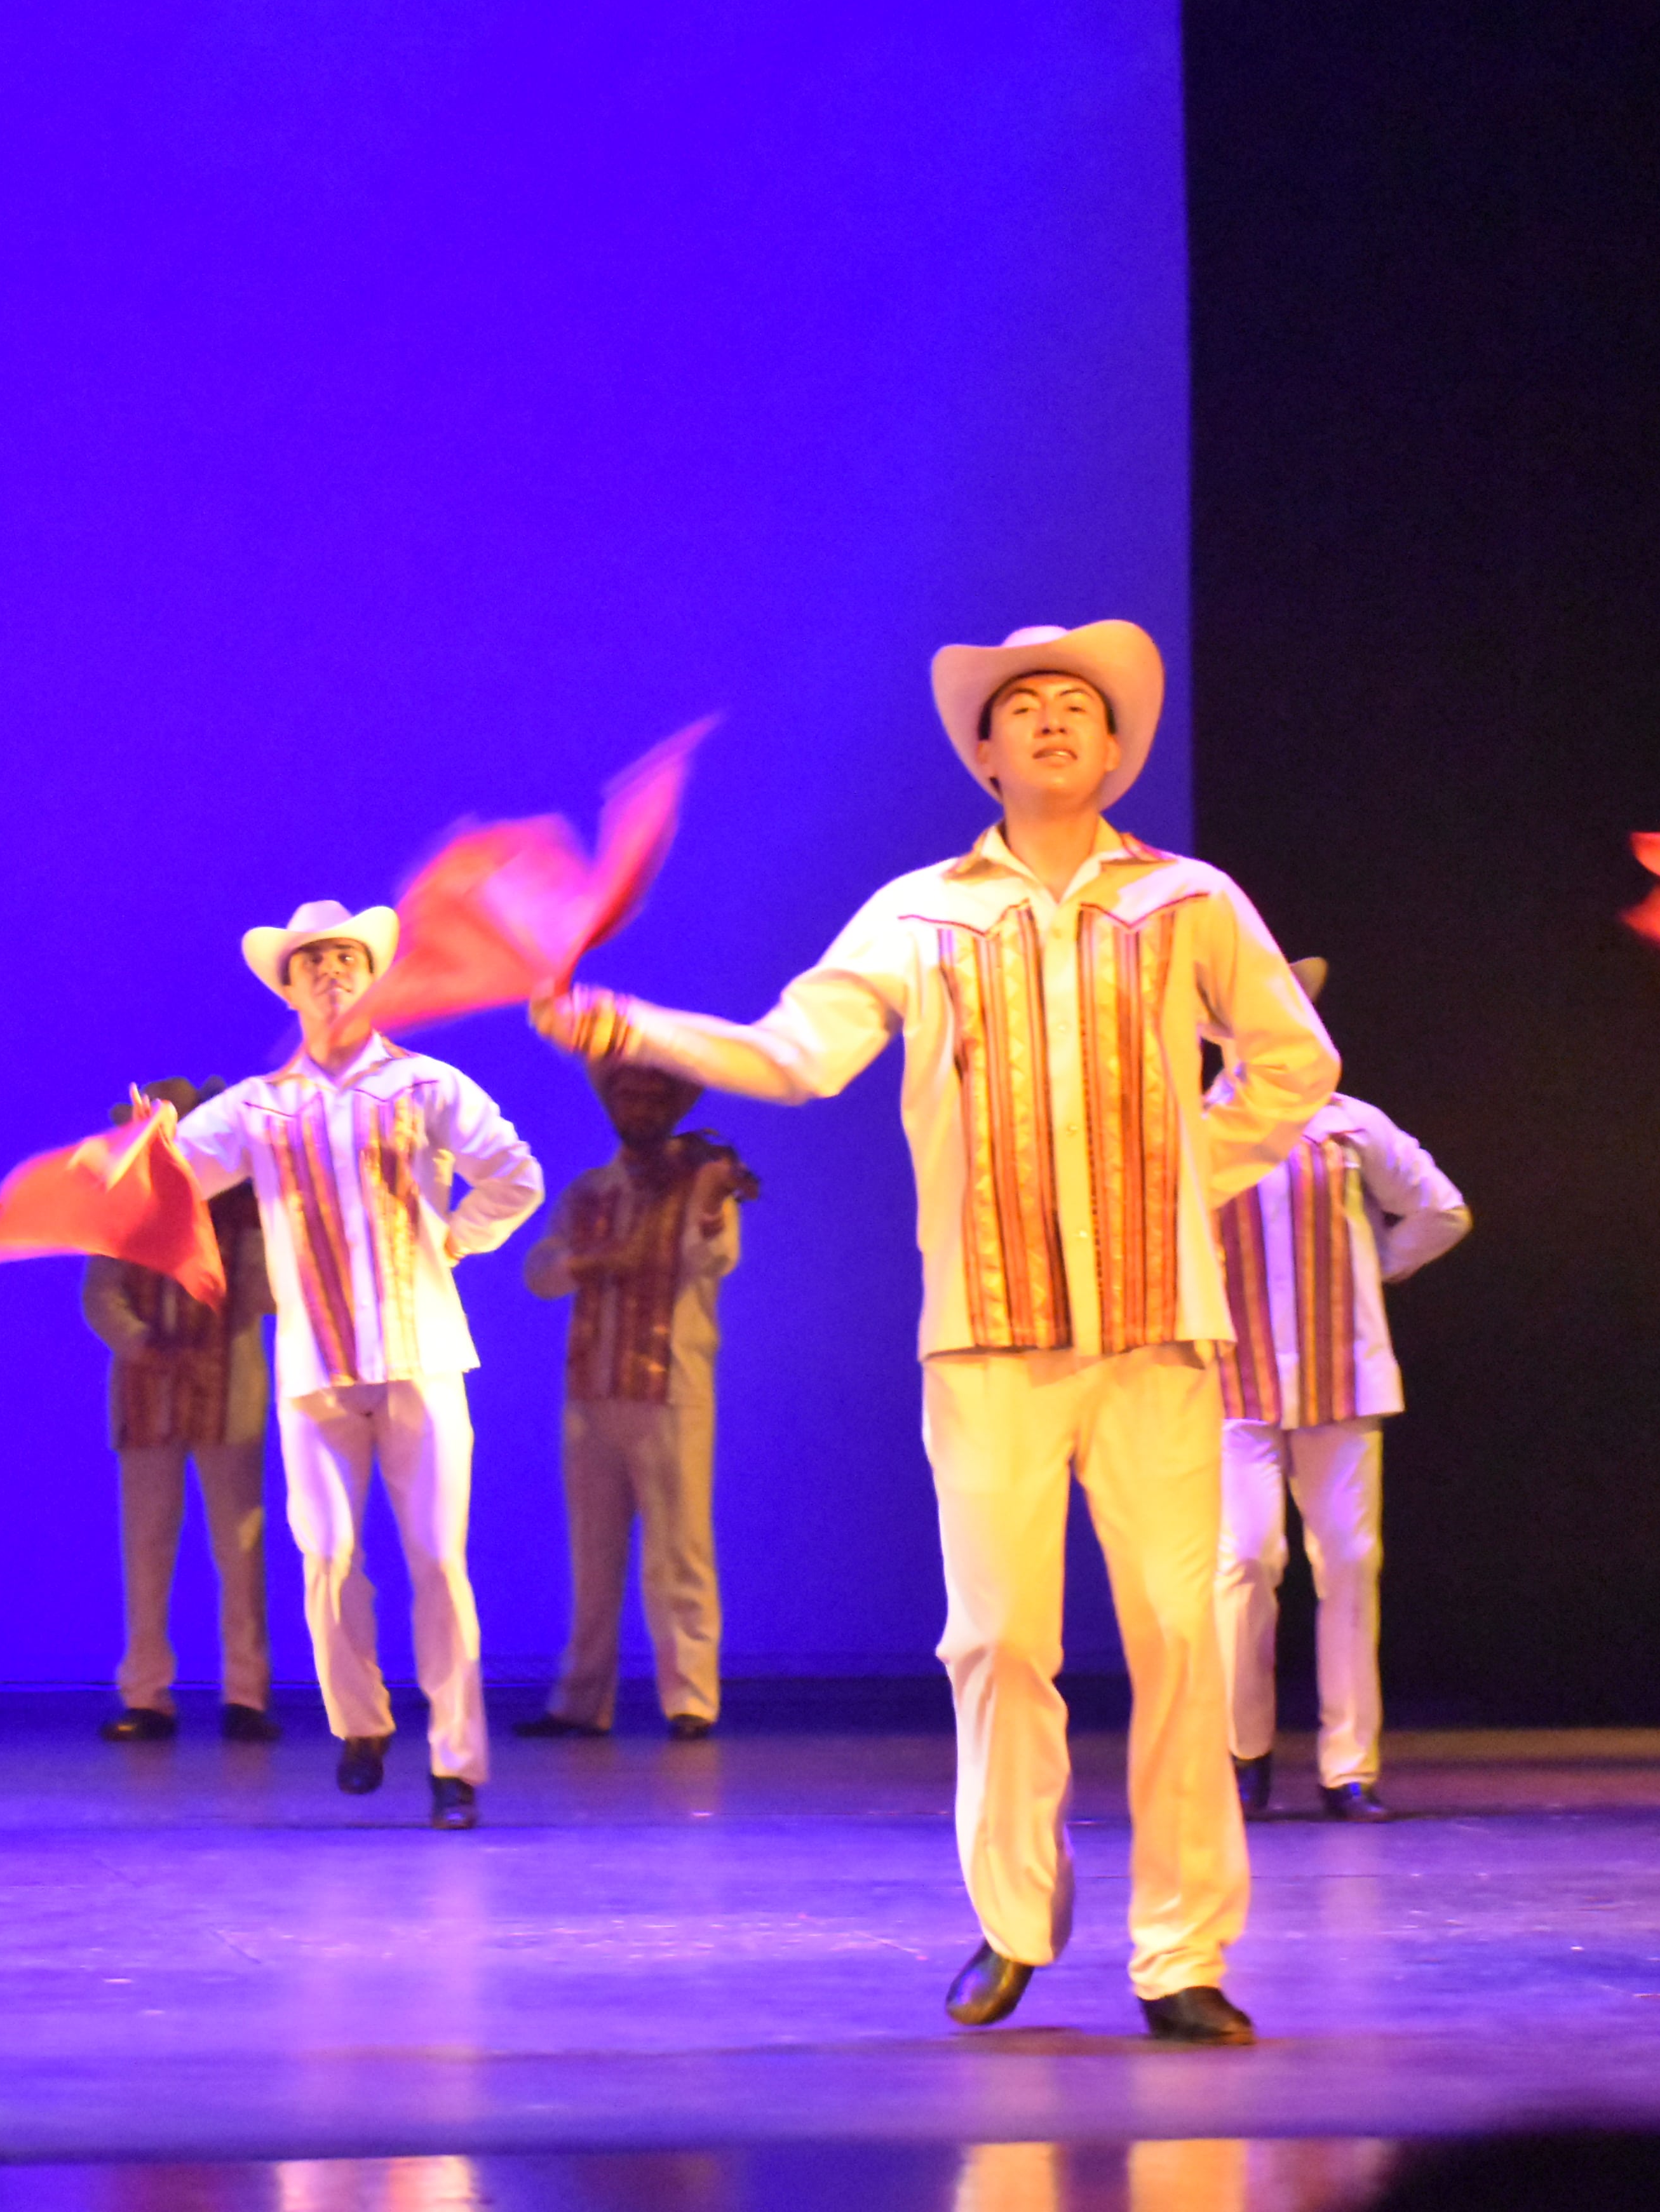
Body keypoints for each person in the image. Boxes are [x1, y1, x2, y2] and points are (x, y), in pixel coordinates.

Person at [537, 621, 1337, 2043]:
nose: (1050, 719)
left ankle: (1182, 1951)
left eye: (1076, 704)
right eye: (1021, 706)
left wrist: (1183, 1172)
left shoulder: (1188, 900)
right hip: (986, 1333)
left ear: (1116, 749)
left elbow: (1293, 1062)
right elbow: (798, 1053)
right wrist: (632, 1028)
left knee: (1179, 1636)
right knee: (998, 1640)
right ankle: (1014, 1918)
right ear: (982, 752)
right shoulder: (921, 913)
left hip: (1157, 1330)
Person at [174, 902, 543, 1829]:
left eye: (347, 957)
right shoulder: (259, 1106)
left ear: (372, 976)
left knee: (437, 1559)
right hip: (315, 1367)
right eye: (313, 962)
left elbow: (516, 1174)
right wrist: (144, 1144)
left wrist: (455, 1239)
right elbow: (173, 1176)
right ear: (288, 988)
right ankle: (360, 1720)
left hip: (420, 1353)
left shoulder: (424, 1084)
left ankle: (456, 1763)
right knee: (328, 1554)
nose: (332, 972)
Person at [1213, 957, 1469, 1826]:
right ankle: (1241, 1754)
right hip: (1232, 1381)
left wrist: (1374, 1269)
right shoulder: (1198, 1128)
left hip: (1342, 1375)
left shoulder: (1349, 1124)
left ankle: (1349, 1765)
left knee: (1351, 1563)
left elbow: (1440, 1209)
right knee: (1245, 1561)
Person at [515, 1062, 754, 1741]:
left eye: (654, 1097)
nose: (640, 1107)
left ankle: (691, 1699)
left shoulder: (699, 1185)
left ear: (673, 1107)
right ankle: (580, 1701)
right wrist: (593, 1263)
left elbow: (712, 1258)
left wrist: (711, 1197)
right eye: (629, 1096)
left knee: (679, 1551)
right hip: (592, 1391)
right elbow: (539, 1272)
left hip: (669, 1389)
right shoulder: (591, 1190)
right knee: (592, 1559)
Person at [86, 1078, 278, 1744]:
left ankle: (246, 1693)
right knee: (146, 1546)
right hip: (149, 1396)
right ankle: (146, 1692)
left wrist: (255, 1239)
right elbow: (100, 1294)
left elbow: (267, 1295)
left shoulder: (243, 1209)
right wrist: (143, 1342)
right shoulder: (125, 1205)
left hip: (228, 1392)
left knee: (239, 1546)